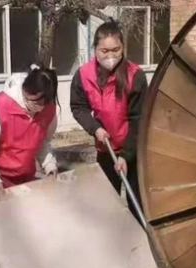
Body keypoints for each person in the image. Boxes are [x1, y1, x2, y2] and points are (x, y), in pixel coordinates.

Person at [70, 19, 148, 224]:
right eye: (104, 51)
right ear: (95, 49)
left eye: (116, 49)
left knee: (137, 202)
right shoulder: (83, 75)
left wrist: (126, 156)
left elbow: (138, 119)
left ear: (123, 48)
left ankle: (140, 237)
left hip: (133, 150)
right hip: (105, 149)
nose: (110, 56)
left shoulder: (135, 75)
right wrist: (95, 128)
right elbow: (78, 107)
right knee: (107, 203)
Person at [0, 64, 59, 192]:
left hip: (26, 178)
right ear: (25, 90)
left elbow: (41, 142)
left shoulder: (47, 109)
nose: (37, 107)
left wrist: (50, 166)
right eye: (33, 101)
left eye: (41, 103)